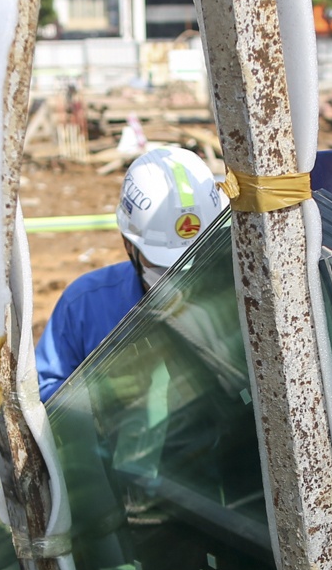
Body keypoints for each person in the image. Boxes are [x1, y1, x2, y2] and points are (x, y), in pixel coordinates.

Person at [36, 147, 226, 400]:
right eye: (165, 266)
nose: (182, 277)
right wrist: (94, 395)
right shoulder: (85, 305)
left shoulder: (240, 296)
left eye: (197, 259)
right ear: (129, 245)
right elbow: (40, 395)